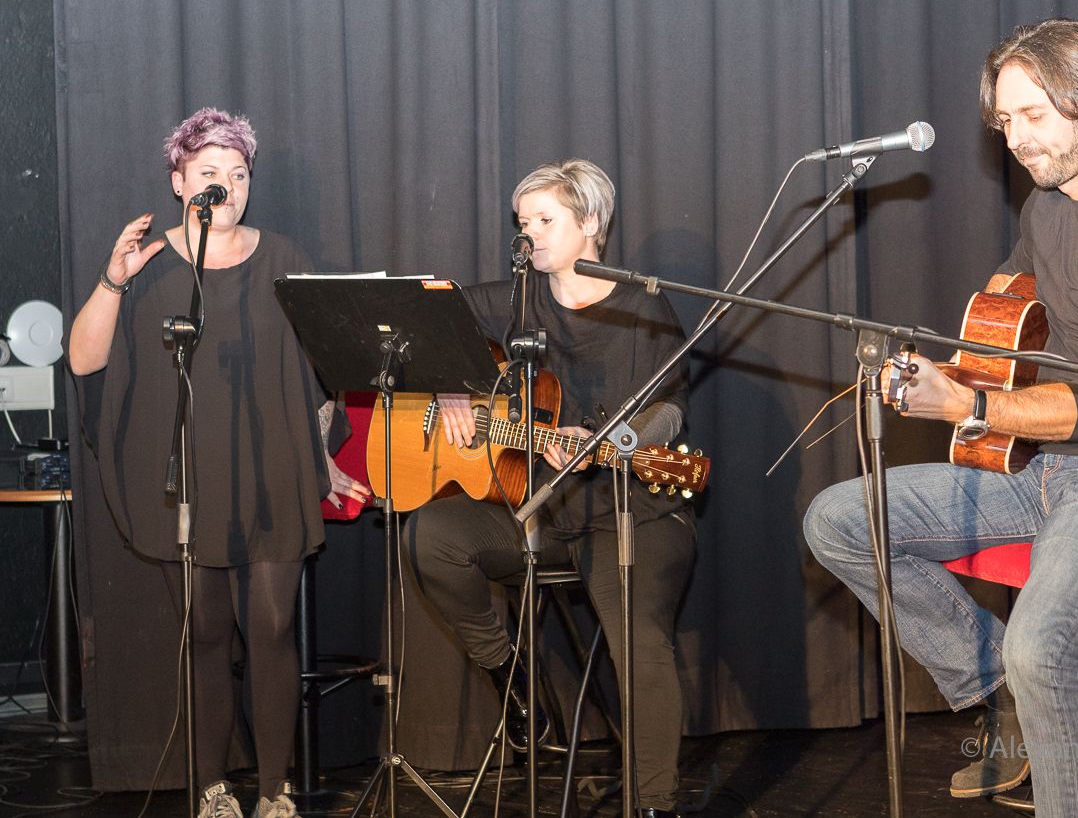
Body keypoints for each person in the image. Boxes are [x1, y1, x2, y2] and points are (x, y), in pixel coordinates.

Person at [802, 19, 1078, 818]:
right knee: (840, 520)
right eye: (1004, 120)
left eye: (1033, 115)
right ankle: (1003, 686)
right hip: (1047, 463)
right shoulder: (1047, 201)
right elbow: (1005, 301)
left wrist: (966, 403)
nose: (1016, 139)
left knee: (1045, 644)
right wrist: (953, 364)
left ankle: (1034, 683)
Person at [68, 108, 369, 818]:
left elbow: (330, 369)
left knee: (271, 627)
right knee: (205, 633)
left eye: (238, 174)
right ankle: (211, 787)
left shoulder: (286, 257)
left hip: (274, 469)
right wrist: (113, 281)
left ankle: (273, 791)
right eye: (209, 172)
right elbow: (83, 360)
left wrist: (323, 456)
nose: (226, 186)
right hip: (187, 476)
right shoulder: (148, 264)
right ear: (179, 182)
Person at [401, 158, 695, 817]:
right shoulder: (518, 297)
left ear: (590, 222)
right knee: (431, 536)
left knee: (640, 640)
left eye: (544, 219)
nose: (527, 234)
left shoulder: (642, 304)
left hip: (632, 514)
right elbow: (424, 313)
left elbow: (673, 407)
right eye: (522, 221)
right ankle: (513, 680)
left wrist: (622, 439)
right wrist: (448, 382)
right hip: (541, 511)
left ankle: (654, 804)